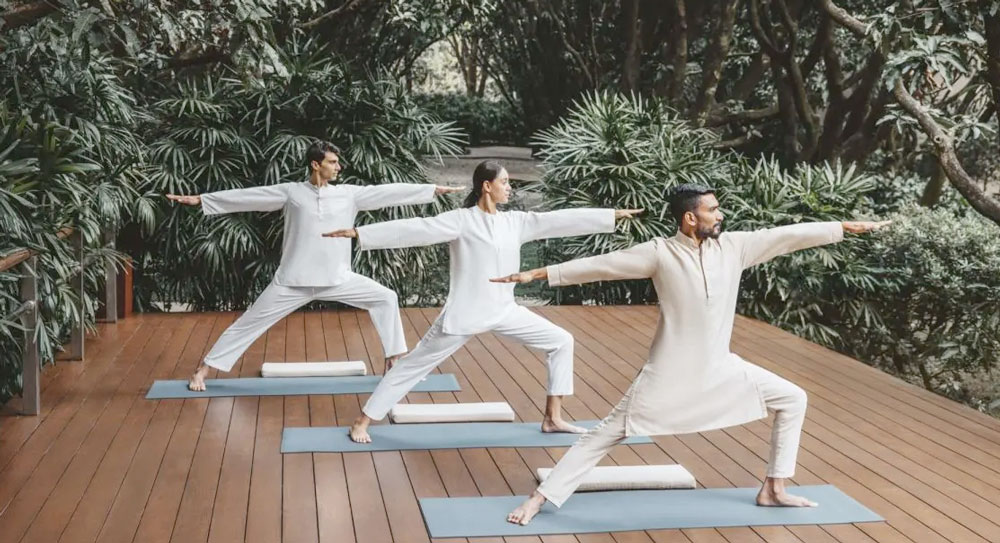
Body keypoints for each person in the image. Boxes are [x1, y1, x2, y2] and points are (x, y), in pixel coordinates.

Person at [495, 183, 891, 525]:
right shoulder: (660, 253)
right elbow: (602, 265)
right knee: (605, 434)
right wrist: (538, 274)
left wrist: (841, 228)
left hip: (720, 368)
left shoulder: (735, 248)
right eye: (712, 210)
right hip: (668, 372)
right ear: (689, 218)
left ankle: (773, 488)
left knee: (793, 398)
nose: (720, 215)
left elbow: (785, 235)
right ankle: (540, 499)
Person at [322, 160, 642, 443]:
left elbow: (559, 221)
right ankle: (362, 420)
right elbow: (417, 229)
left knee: (561, 341)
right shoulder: (462, 220)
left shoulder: (515, 222)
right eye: (505, 182)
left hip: (505, 311)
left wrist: (609, 216)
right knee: (412, 365)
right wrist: (360, 234)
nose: (509, 188)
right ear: (487, 186)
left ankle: (552, 418)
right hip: (465, 315)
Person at [166, 140, 461, 391]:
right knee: (249, 323)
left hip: (337, 278)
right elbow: (248, 197)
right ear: (315, 164)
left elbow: (387, 193)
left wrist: (431, 189)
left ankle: (394, 360)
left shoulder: (349, 194)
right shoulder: (292, 192)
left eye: (337, 162)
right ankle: (203, 370)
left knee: (386, 297)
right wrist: (202, 200)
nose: (338, 167)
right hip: (293, 280)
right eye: (332, 162)